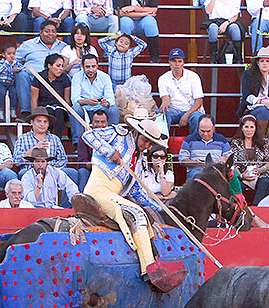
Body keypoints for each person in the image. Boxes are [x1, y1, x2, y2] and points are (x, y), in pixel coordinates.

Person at [81, 116, 181, 291]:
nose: (147, 146)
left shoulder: (139, 161)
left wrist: (161, 209)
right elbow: (88, 136)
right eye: (145, 141)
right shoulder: (118, 134)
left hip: (111, 195)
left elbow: (136, 191)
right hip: (97, 191)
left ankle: (153, 261)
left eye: (150, 144)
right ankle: (148, 270)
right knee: (136, 214)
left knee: (144, 213)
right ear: (136, 133)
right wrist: (109, 151)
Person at [13, 107, 79, 193]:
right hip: (31, 170)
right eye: (39, 121)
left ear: (48, 124)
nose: (42, 124)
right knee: (22, 173)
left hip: (53, 170)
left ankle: (67, 201)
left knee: (72, 173)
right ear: (32, 122)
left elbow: (63, 159)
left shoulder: (54, 139)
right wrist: (33, 149)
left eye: (45, 122)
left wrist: (55, 167)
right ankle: (29, 200)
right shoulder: (23, 138)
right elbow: (16, 161)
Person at [15, 20, 68, 121]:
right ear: (40, 32)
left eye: (53, 31)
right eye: (47, 31)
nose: (50, 34)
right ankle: (26, 113)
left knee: (67, 77)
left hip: (56, 80)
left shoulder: (64, 47)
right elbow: (13, 61)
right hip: (32, 78)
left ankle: (66, 114)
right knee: (21, 75)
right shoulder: (28, 45)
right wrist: (21, 68)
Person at [237, 47, 269, 153]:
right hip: (253, 107)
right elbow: (247, 96)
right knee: (264, 110)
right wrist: (262, 101)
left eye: (267, 61)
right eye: (262, 61)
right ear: (258, 63)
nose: (264, 63)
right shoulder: (248, 74)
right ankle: (260, 144)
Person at [70, 54, 119, 147]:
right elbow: (75, 99)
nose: (91, 69)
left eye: (93, 66)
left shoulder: (105, 77)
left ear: (97, 65)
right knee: (75, 109)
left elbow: (110, 99)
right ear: (82, 66)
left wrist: (106, 103)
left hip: (101, 109)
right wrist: (87, 102)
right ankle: (77, 143)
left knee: (114, 109)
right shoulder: (77, 77)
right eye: (87, 67)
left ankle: (112, 140)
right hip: (84, 109)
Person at [158, 48, 205, 136]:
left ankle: (194, 143)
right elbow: (165, 98)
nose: (176, 64)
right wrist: (165, 103)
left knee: (197, 118)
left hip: (191, 110)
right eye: (174, 61)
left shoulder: (193, 76)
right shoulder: (163, 78)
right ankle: (162, 142)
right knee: (161, 115)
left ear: (183, 63)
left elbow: (199, 100)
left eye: (179, 61)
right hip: (173, 110)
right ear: (169, 62)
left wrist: (187, 114)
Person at [230, 114, 269, 205]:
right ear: (242, 128)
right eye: (246, 127)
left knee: (265, 182)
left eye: (251, 127)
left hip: (261, 174)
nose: (249, 130)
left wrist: (260, 170)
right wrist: (242, 175)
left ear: (255, 128)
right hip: (242, 175)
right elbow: (234, 163)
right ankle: (240, 207)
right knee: (236, 184)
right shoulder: (236, 142)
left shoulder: (264, 142)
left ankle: (255, 207)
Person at [179, 114, 232, 180]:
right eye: (202, 131)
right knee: (199, 176)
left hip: (216, 170)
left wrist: (224, 159)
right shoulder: (189, 140)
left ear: (213, 128)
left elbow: (230, 158)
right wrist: (195, 162)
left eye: (208, 131)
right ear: (198, 127)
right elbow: (182, 160)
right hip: (196, 171)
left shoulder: (221, 140)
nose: (205, 134)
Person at [31, 53, 70, 139]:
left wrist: (69, 116)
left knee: (59, 113)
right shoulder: (39, 77)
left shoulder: (65, 78)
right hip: (44, 107)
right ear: (49, 66)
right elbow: (34, 99)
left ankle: (57, 140)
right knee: (49, 113)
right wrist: (34, 115)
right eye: (58, 66)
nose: (61, 69)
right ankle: (45, 139)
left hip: (60, 108)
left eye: (62, 66)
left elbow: (67, 100)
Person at [202, 0, 245, 64]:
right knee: (212, 28)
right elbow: (208, 11)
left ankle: (238, 57)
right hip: (214, 21)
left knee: (235, 28)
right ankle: (214, 56)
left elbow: (235, 16)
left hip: (229, 21)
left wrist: (227, 23)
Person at [76, 109, 108, 191]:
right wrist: (94, 164)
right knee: (82, 171)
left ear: (107, 123)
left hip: (108, 170)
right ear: (92, 123)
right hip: (91, 169)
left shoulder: (113, 137)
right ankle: (82, 197)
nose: (100, 125)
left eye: (103, 122)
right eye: (97, 122)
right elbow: (81, 162)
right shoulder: (84, 138)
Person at [0, 43, 22, 121]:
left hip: (11, 83)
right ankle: (0, 111)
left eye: (13, 54)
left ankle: (13, 110)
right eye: (9, 54)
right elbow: (1, 69)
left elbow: (22, 68)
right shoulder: (1, 63)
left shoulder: (16, 63)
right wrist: (11, 68)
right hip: (2, 83)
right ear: (3, 55)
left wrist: (18, 69)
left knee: (14, 93)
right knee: (0, 93)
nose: (12, 56)